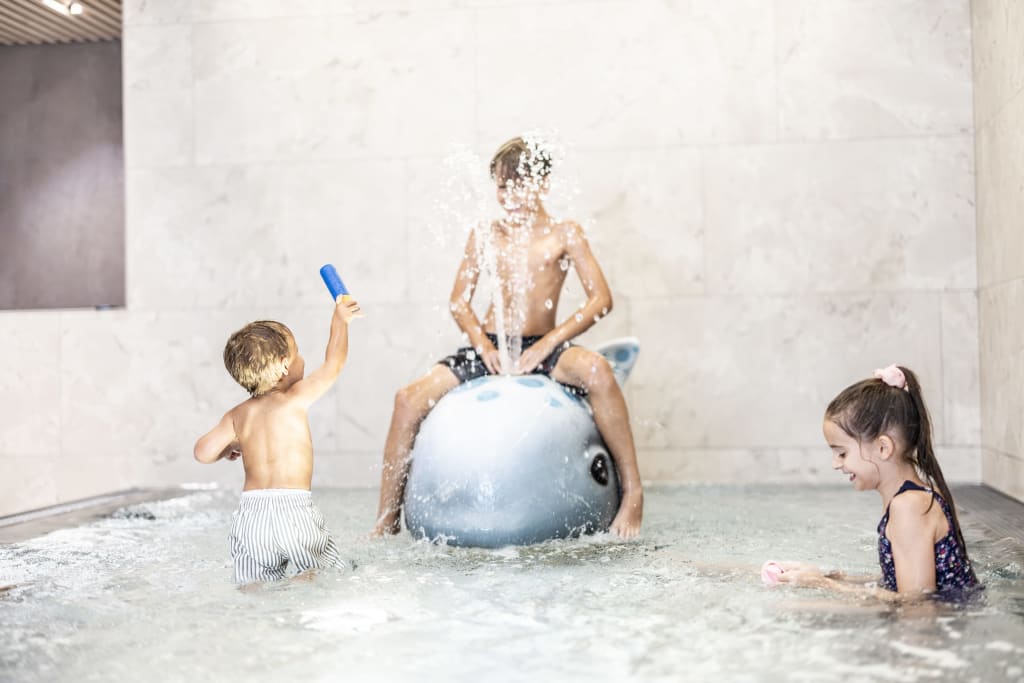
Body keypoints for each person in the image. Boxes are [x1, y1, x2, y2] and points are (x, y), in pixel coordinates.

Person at [371, 136, 644, 539]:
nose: (509, 195)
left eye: (519, 184)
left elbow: (600, 300)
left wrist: (549, 344)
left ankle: (634, 493)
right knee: (407, 399)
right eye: (502, 185)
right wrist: (482, 345)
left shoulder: (565, 234)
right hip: (491, 345)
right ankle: (386, 521)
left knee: (599, 372)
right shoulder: (485, 233)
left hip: (542, 344)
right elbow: (459, 302)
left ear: (544, 184)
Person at [770, 364, 979, 600]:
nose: (835, 464)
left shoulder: (910, 506)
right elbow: (898, 584)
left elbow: (917, 606)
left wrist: (827, 587)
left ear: (883, 447)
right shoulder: (911, 498)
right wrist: (825, 578)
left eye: (842, 453)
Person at [194, 295, 361, 583]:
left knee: (253, 586)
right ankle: (304, 584)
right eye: (298, 353)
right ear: (285, 365)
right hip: (294, 512)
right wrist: (340, 321)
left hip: (251, 519)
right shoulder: (294, 399)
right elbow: (334, 362)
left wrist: (230, 448)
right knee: (322, 572)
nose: (303, 359)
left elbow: (202, 452)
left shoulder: (238, 415)